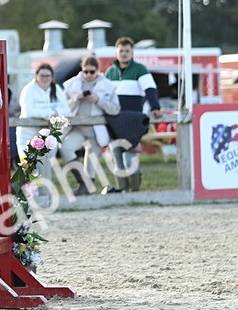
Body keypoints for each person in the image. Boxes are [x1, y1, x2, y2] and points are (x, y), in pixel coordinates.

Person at [104, 36, 163, 192]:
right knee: (117, 155)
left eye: (127, 51)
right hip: (114, 121)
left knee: (130, 156)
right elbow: (104, 95)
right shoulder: (110, 73)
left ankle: (135, 191)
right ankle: (122, 189)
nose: (124, 54)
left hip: (132, 121)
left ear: (132, 52)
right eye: (121, 51)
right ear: (117, 52)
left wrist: (155, 107)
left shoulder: (140, 69)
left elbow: (150, 90)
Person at [60, 55, 120, 196]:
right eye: (85, 71)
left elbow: (115, 109)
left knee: (91, 161)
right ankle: (83, 182)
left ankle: (87, 188)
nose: (88, 75)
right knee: (65, 148)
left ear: (97, 70)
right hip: (76, 128)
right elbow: (62, 106)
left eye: (92, 72)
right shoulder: (71, 84)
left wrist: (98, 100)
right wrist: (77, 98)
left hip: (96, 130)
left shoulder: (108, 85)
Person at [17, 63, 69, 156]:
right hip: (29, 133)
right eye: (42, 75)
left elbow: (67, 109)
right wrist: (50, 114)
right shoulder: (28, 90)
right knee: (28, 165)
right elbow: (28, 111)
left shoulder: (56, 89)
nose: (45, 78)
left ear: (52, 77)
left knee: (47, 165)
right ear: (36, 76)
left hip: (49, 134)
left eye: (47, 76)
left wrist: (57, 112)